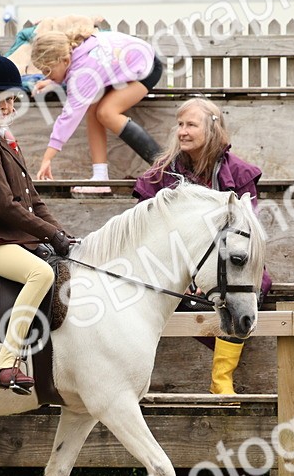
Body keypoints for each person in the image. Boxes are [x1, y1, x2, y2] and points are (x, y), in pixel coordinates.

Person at [133, 98, 271, 395]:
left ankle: (222, 379)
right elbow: (145, 229)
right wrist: (185, 275)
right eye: (180, 124)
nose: (182, 131)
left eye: (190, 125)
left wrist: (206, 276)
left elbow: (248, 229)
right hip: (171, 263)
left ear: (212, 128)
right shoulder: (162, 175)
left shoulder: (239, 174)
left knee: (256, 281)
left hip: (222, 262)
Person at [0, 53, 74, 394]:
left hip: (12, 235)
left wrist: (61, 233)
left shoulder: (5, 140)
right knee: (42, 274)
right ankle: (6, 363)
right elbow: (6, 207)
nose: (7, 106)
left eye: (10, 98)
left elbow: (33, 200)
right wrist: (50, 234)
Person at [30, 24, 163, 196]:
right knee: (92, 106)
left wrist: (47, 158)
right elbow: (74, 71)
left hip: (147, 67)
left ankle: (164, 167)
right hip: (128, 63)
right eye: (43, 72)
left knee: (106, 113)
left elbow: (69, 117)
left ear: (64, 60)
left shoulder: (82, 75)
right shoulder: (73, 51)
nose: (45, 75)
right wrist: (52, 81)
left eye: (48, 71)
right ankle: (100, 178)